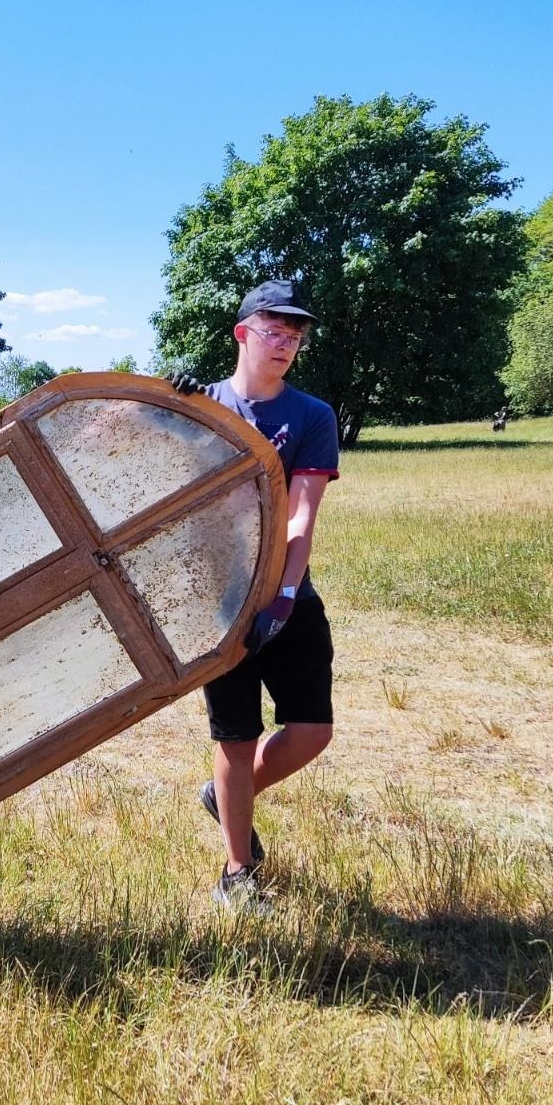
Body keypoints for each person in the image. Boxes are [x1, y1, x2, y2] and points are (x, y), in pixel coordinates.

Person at [170, 280, 340, 912]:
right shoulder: (199, 405)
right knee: (235, 740)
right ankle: (237, 872)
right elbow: (118, 452)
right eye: (274, 331)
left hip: (286, 596)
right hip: (218, 602)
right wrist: (160, 408)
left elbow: (301, 518)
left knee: (312, 731)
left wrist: (286, 597)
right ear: (242, 334)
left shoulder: (312, 416)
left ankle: (223, 798)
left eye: (295, 335)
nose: (287, 344)